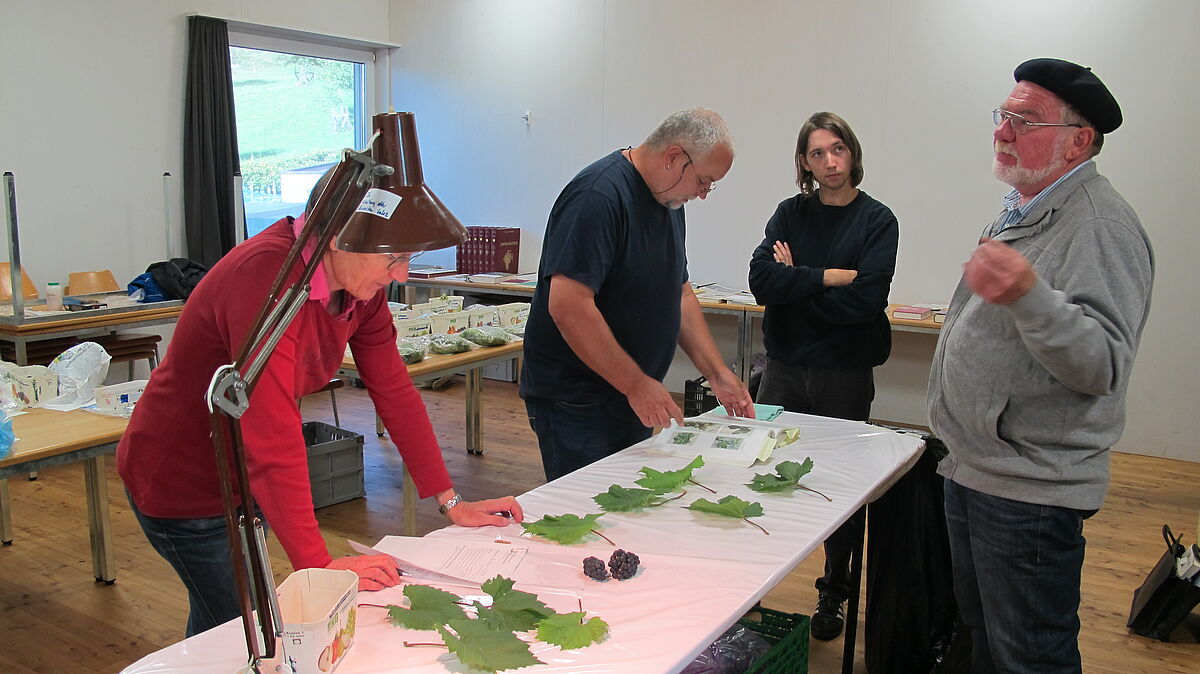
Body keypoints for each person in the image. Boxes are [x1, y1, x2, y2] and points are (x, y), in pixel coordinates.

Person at [117, 171, 523, 637]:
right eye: (393, 258)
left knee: (233, 622)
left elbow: (394, 391)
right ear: (335, 237)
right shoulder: (266, 279)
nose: (401, 275)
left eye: (408, 258)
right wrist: (318, 565)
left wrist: (451, 501)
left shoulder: (359, 290)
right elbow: (271, 433)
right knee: (238, 632)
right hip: (183, 479)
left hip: (243, 477)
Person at [928, 58, 1154, 672]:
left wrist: (1029, 294)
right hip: (978, 468)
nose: (1002, 132)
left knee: (1029, 656)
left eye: (1024, 121)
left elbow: (1103, 363)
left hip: (1029, 488)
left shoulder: (1101, 225)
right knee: (984, 639)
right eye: (1003, 115)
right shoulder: (1022, 207)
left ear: (1078, 141)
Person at [520, 108, 754, 481]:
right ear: (674, 157)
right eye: (703, 181)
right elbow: (568, 306)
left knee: (628, 501)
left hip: (628, 394)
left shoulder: (669, 200)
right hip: (578, 401)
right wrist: (636, 384)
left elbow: (680, 293)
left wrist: (717, 373)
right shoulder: (597, 197)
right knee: (591, 507)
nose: (702, 194)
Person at [747, 111, 898, 641]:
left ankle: (833, 593)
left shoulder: (877, 221)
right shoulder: (790, 213)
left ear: (851, 153)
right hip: (784, 372)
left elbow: (865, 304)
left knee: (840, 489)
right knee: (763, 477)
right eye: (817, 153)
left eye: (837, 149)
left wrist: (796, 283)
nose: (830, 161)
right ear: (804, 163)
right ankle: (752, 591)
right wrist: (828, 278)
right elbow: (761, 281)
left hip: (845, 375)